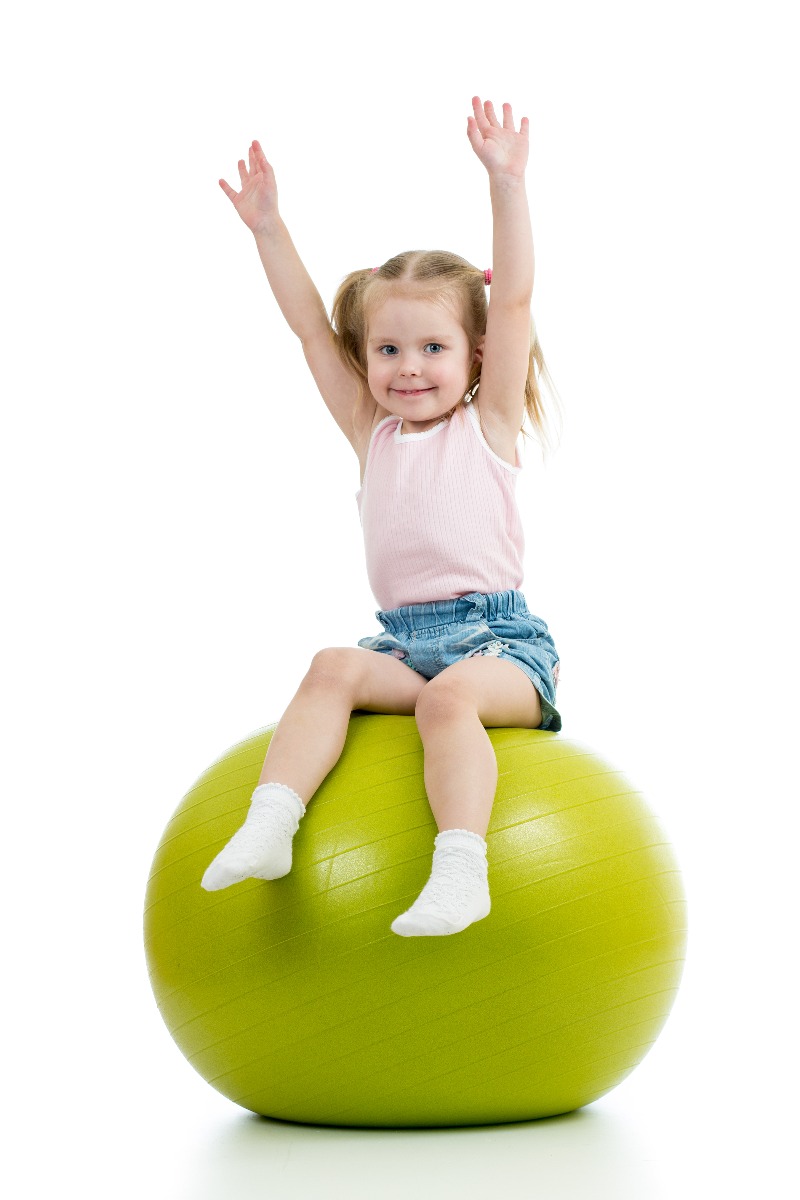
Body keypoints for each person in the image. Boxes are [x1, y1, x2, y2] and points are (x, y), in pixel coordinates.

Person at [202, 97, 562, 938]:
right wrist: (268, 230)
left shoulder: (490, 424)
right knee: (332, 665)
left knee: (446, 707)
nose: (407, 368)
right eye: (388, 350)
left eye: (433, 349)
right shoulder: (374, 433)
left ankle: (462, 869)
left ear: (472, 359)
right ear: (366, 358)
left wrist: (506, 184)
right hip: (406, 643)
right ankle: (273, 822)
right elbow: (305, 331)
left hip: (498, 647)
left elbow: (510, 303)